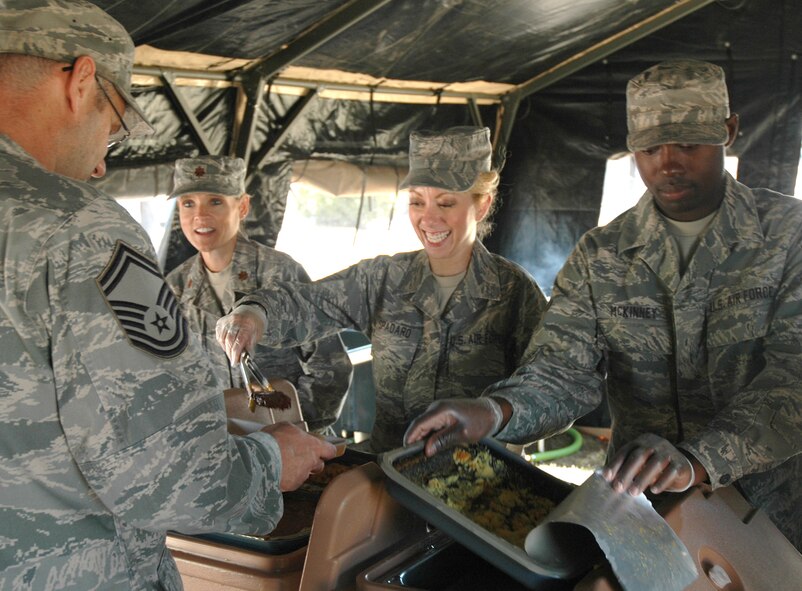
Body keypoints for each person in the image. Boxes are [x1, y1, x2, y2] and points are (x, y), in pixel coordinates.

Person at [0, 1, 336, 588]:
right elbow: (165, 469)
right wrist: (269, 463)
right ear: (82, 81)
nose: (103, 164)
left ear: (242, 207)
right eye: (113, 122)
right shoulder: (79, 229)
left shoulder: (282, 273)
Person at [404, 59, 802, 551]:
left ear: (729, 131)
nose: (669, 163)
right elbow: (562, 371)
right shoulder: (603, 255)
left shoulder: (788, 237)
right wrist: (495, 411)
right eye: (651, 148)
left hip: (774, 517)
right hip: (643, 516)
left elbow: (794, 378)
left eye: (689, 145)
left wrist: (697, 460)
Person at [215, 126, 549, 452]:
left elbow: (549, 392)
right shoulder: (385, 279)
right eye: (417, 202)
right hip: (390, 471)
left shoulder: (514, 294)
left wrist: (495, 414)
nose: (428, 219)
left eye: (445, 204)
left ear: (482, 205)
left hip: (479, 481)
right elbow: (310, 302)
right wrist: (253, 313)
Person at [165, 156, 353, 431]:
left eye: (215, 201)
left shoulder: (279, 273)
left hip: (291, 436)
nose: (200, 216)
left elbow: (332, 365)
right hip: (222, 443)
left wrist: (297, 424)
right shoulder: (176, 287)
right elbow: (174, 373)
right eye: (188, 203)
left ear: (242, 206)